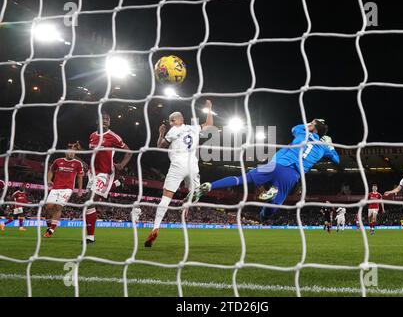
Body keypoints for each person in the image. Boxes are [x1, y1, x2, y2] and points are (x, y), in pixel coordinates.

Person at [186, 119, 340, 222]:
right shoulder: (323, 148)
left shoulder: (302, 132)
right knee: (271, 209)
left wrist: (308, 125)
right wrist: (330, 146)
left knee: (241, 179)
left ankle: (210, 186)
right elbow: (337, 161)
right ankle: (271, 199)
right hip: (292, 174)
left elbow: (294, 128)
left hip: (275, 164)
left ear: (313, 128)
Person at [145, 100, 214, 247]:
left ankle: (156, 227)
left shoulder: (174, 130)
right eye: (170, 121)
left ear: (180, 119)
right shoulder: (194, 128)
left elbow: (160, 147)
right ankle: (187, 202)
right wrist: (209, 109)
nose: (171, 123)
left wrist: (161, 133)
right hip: (193, 164)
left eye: (172, 120)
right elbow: (209, 124)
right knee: (195, 194)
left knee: (166, 197)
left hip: (178, 164)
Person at [85, 112, 132, 244]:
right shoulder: (92, 136)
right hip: (92, 173)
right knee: (88, 204)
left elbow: (128, 151)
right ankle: (118, 183)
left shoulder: (113, 137)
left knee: (89, 200)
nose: (105, 121)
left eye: (107, 119)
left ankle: (90, 238)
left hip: (105, 173)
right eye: (102, 119)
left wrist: (121, 164)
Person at [43, 142, 84, 238]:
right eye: (69, 152)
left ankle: (51, 231)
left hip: (67, 189)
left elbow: (80, 177)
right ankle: (49, 227)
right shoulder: (58, 161)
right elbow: (51, 171)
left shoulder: (78, 163)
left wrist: (80, 190)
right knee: (48, 207)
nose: (71, 154)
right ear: (65, 153)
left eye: (73, 153)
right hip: (55, 187)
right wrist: (49, 180)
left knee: (58, 207)